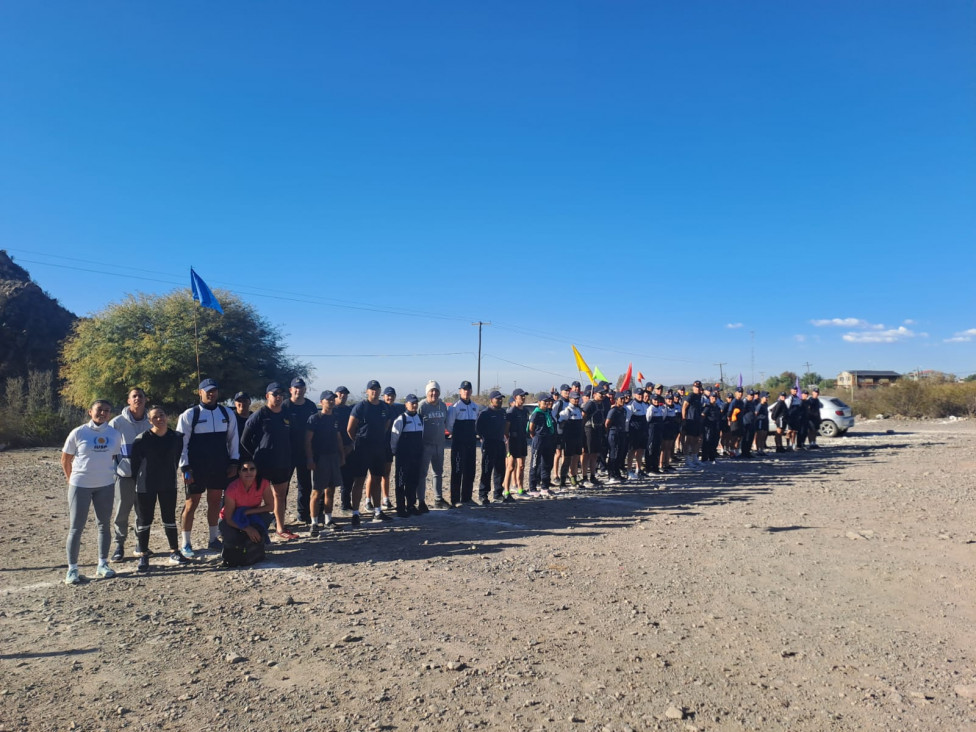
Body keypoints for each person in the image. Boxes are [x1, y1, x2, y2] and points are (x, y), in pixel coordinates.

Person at [61, 400, 122, 584]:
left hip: (105, 485)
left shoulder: (114, 434)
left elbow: (112, 456)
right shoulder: (79, 432)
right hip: (80, 485)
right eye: (99, 410)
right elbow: (65, 459)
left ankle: (102, 564)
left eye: (106, 410)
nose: (102, 413)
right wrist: (71, 479)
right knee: (76, 527)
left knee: (104, 525)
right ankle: (72, 569)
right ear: (90, 412)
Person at [176, 378, 239, 557]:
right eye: (207, 391)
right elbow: (182, 443)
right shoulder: (189, 415)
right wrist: (185, 467)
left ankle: (213, 539)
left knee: (214, 501)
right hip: (196, 467)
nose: (211, 394)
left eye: (214, 391)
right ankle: (185, 543)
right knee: (191, 503)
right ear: (200, 392)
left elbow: (233, 439)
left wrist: (234, 462)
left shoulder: (227, 413)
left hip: (219, 465)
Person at [128, 405, 187, 571]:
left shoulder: (176, 437)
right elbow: (135, 464)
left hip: (168, 483)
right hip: (146, 485)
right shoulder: (142, 439)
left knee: (169, 518)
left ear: (166, 416)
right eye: (155, 417)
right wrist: (138, 480)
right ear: (149, 421)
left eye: (161, 415)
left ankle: (174, 552)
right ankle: (143, 555)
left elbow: (176, 458)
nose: (159, 419)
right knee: (144, 519)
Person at [241, 382, 297, 540]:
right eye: (275, 394)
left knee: (280, 496)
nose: (278, 397)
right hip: (263, 464)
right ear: (267, 396)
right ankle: (254, 528)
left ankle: (280, 528)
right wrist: (255, 456)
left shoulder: (286, 414)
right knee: (257, 497)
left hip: (282, 462)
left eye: (281, 394)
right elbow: (245, 440)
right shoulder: (260, 414)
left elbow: (292, 437)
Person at [108, 387, 150, 562]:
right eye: (134, 396)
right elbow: (109, 451)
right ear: (128, 400)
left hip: (145, 476)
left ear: (145, 399)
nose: (137, 399)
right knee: (121, 512)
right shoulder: (117, 423)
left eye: (140, 396)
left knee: (143, 511)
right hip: (123, 475)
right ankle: (119, 545)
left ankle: (140, 544)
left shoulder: (151, 421)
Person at [347, 380, 393, 524]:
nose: (374, 391)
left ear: (380, 391)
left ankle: (378, 511)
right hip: (362, 447)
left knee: (377, 479)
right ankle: (355, 513)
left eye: (377, 389)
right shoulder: (360, 407)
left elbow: (386, 425)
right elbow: (350, 429)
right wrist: (359, 440)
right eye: (371, 389)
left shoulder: (384, 407)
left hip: (378, 448)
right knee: (359, 480)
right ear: (367, 391)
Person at [305, 390, 345, 535]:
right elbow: (308, 440)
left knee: (331, 490)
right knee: (317, 491)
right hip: (319, 458)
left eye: (333, 399)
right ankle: (314, 523)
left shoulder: (335, 418)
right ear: (321, 401)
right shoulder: (315, 418)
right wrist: (310, 459)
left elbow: (339, 437)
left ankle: (328, 520)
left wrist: (342, 455)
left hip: (333, 456)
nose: (331, 402)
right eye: (328, 400)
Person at [218, 459, 273, 562]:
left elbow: (270, 507)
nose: (249, 472)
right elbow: (229, 519)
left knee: (266, 517)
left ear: (256, 471)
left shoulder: (264, 483)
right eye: (244, 470)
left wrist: (247, 512)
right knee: (226, 528)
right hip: (232, 517)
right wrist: (247, 529)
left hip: (250, 515)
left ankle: (255, 545)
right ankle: (231, 547)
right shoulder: (232, 488)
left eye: (252, 469)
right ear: (239, 472)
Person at [286, 377, 318, 525]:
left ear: (305, 390)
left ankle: (303, 513)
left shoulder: (311, 406)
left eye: (301, 387)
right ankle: (277, 515)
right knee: (282, 485)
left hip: (306, 451)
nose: (299, 390)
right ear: (291, 390)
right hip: (287, 452)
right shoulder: (284, 406)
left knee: (305, 484)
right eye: (296, 387)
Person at [418, 381, 450, 509]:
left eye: (436, 391)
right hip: (425, 445)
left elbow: (445, 421)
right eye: (431, 391)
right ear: (427, 392)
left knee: (438, 472)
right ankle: (420, 501)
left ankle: (438, 498)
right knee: (422, 473)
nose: (434, 393)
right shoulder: (422, 406)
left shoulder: (442, 406)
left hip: (439, 444)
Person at [391, 394, 424, 516]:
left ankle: (411, 505)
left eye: (416, 403)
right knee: (400, 482)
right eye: (411, 403)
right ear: (406, 404)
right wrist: (394, 451)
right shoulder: (401, 419)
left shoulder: (420, 418)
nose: (414, 405)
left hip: (416, 456)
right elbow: (394, 438)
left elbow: (422, 436)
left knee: (413, 481)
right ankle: (400, 507)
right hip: (403, 457)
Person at [447, 380, 480, 506]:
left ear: (471, 391)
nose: (466, 392)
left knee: (470, 470)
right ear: (460, 391)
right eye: (464, 389)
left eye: (468, 389)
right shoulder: (454, 407)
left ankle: (467, 497)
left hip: (471, 442)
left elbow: (476, 423)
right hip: (458, 442)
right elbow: (450, 426)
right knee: (457, 470)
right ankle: (455, 499)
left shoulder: (475, 407)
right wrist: (458, 435)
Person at [476, 390, 508, 505]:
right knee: (486, 470)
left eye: (501, 399)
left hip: (500, 443)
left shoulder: (503, 412)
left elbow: (505, 428)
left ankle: (498, 494)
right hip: (489, 444)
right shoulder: (485, 413)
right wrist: (484, 438)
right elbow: (478, 428)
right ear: (491, 400)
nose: (499, 400)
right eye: (497, 399)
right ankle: (483, 495)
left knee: (500, 470)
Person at [377, 386, 404, 511]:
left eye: (392, 395)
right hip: (379, 444)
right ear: (383, 396)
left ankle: (385, 499)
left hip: (390, 444)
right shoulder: (379, 407)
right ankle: (368, 500)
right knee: (375, 474)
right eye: (388, 395)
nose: (390, 397)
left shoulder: (396, 409)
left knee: (386, 472)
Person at [528, 393, 557, 495]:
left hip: (548, 439)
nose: (547, 403)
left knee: (546, 463)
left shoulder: (548, 412)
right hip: (539, 439)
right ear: (539, 402)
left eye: (548, 401)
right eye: (545, 401)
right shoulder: (536, 413)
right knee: (535, 464)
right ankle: (532, 487)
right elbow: (531, 428)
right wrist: (535, 436)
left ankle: (545, 486)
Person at [502, 388, 529, 500]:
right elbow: (506, 430)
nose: (523, 398)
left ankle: (520, 489)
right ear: (515, 397)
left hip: (522, 440)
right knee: (510, 467)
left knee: (521, 466)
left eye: (524, 396)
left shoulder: (525, 411)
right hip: (513, 441)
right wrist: (508, 441)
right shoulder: (511, 412)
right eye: (520, 396)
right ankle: (506, 491)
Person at [582, 385, 608, 486]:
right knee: (586, 454)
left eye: (604, 394)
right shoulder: (590, 404)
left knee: (594, 454)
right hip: (589, 430)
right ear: (595, 394)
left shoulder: (601, 404)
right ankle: (584, 477)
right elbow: (583, 416)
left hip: (598, 430)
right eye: (601, 393)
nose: (603, 395)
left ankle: (593, 476)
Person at [557, 390, 585, 487]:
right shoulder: (566, 411)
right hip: (569, 439)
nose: (576, 400)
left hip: (578, 438)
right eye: (574, 398)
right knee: (567, 460)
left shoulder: (579, 410)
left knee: (576, 458)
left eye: (578, 398)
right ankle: (563, 480)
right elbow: (559, 425)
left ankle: (574, 478)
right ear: (570, 399)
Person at [333, 386, 354, 510]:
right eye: (340, 393)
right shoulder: (330, 410)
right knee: (327, 482)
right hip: (332, 450)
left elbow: (355, 428)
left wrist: (351, 445)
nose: (343, 396)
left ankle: (345, 504)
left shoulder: (350, 411)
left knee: (348, 479)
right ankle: (321, 511)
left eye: (345, 394)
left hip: (348, 448)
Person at [604, 391, 628, 483]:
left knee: (620, 454)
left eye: (624, 398)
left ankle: (617, 473)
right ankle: (611, 474)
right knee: (613, 454)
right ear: (616, 400)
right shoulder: (613, 410)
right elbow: (607, 423)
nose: (623, 400)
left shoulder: (624, 410)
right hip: (614, 433)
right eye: (621, 399)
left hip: (621, 433)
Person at [680, 381, 705, 467]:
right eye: (696, 387)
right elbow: (684, 407)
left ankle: (694, 458)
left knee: (697, 440)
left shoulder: (699, 397)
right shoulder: (691, 396)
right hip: (690, 420)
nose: (698, 389)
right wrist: (684, 419)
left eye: (699, 387)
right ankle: (687, 459)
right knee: (689, 440)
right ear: (693, 387)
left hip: (697, 421)